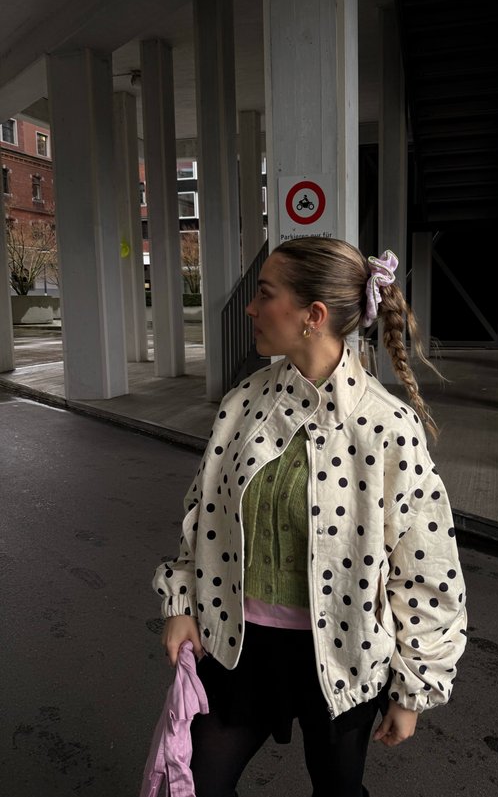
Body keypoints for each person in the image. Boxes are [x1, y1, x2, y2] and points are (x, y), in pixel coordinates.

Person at [152, 236, 468, 797]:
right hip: (237, 647)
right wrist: (182, 603)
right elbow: (202, 516)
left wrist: (412, 689)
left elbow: (426, 570)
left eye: (266, 294)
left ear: (312, 316)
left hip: (342, 662)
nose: (250, 308)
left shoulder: (387, 428)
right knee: (193, 785)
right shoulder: (242, 404)